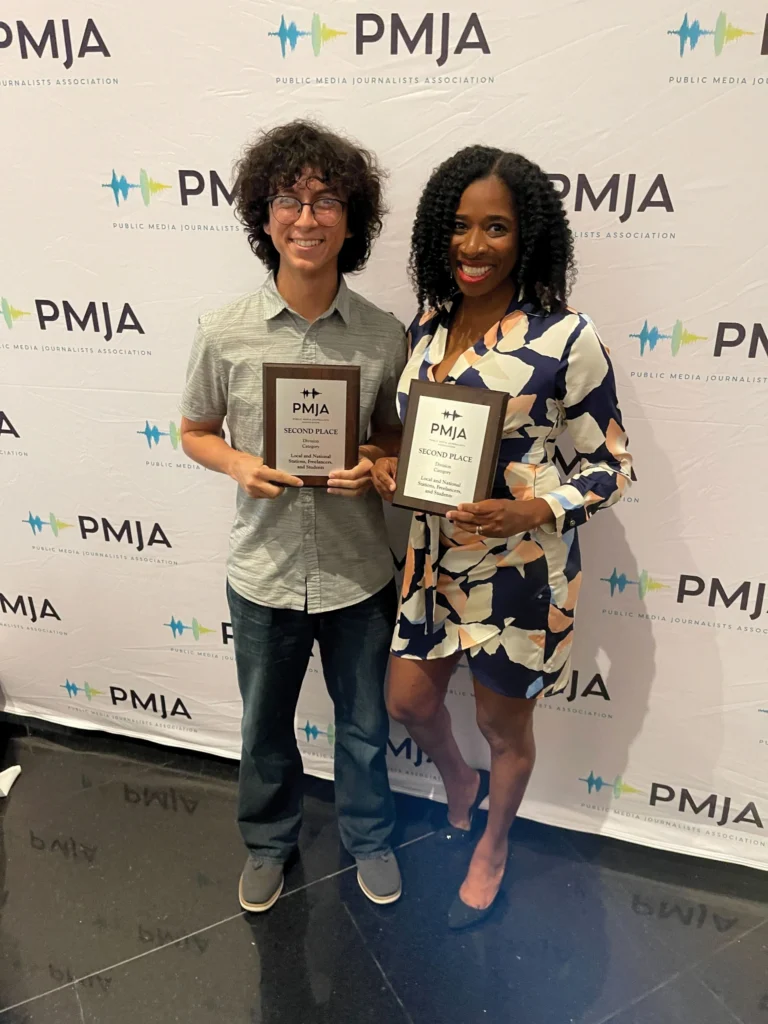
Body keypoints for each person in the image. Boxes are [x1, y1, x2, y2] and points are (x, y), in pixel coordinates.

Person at [372, 146, 633, 929]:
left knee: (500, 724)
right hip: (431, 561)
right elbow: (407, 436)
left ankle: (493, 842)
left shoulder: (566, 338)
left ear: (528, 238)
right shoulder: (427, 325)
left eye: (495, 228)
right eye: (459, 226)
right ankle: (458, 778)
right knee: (409, 700)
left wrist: (532, 509)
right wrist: (389, 468)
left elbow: (612, 465)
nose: (474, 246)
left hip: (520, 571)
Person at [180, 120, 406, 913]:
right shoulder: (222, 331)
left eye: (326, 200)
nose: (306, 218)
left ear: (354, 218)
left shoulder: (384, 335)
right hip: (265, 572)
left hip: (358, 573)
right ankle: (268, 844)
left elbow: (390, 434)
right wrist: (240, 463)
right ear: (262, 215)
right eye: (288, 199)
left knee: (366, 728)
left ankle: (370, 837)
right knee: (264, 734)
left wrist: (376, 465)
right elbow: (195, 432)